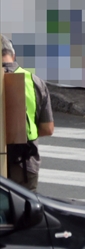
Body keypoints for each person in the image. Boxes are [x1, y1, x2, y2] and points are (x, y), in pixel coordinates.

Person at [1, 34, 53, 191]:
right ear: (13, 54)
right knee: (23, 213)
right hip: (24, 163)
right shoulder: (34, 81)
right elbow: (47, 128)